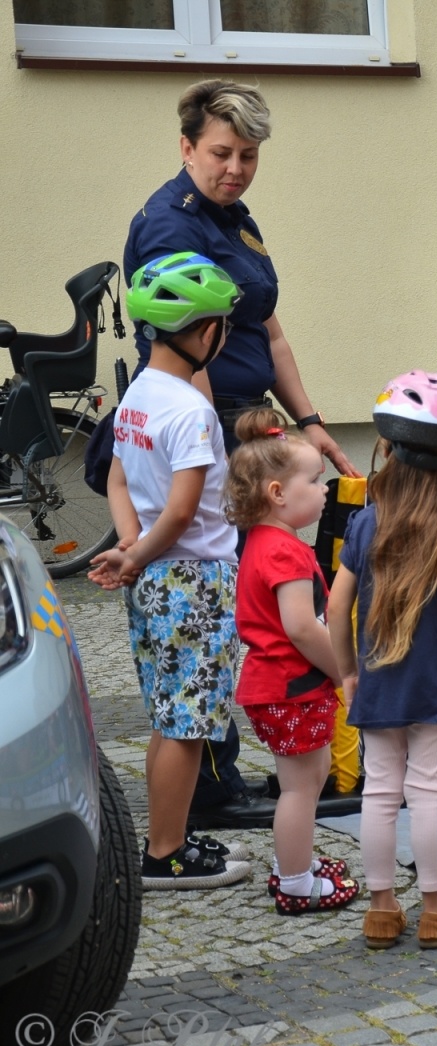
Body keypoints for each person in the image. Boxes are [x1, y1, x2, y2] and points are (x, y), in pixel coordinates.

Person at [126, 79, 359, 830]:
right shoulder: (170, 226)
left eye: (250, 155)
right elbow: (182, 344)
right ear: (186, 145)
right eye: (222, 153)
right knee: (221, 601)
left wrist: (310, 419)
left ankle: (225, 765)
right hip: (215, 428)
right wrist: (234, 440)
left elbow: (270, 329)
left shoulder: (235, 218)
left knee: (241, 595)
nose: (236, 167)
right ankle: (211, 783)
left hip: (250, 418)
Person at [88, 252, 253, 891]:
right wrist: (141, 552)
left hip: (156, 579)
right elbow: (184, 511)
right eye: (221, 325)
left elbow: (116, 477)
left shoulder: (138, 396)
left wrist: (132, 549)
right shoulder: (190, 411)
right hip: (195, 582)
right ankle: (164, 856)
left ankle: (170, 835)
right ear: (203, 332)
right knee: (188, 727)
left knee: (168, 716)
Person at [328, 372, 437, 950]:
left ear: (388, 456)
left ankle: (380, 911)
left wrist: (347, 672)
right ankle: (434, 912)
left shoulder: (365, 523)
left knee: (378, 792)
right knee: (428, 794)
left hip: (376, 680)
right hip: (434, 685)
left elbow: (335, 607)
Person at [224, 408, 362, 915]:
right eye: (315, 480)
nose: (325, 489)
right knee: (301, 791)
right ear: (278, 493)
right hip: (291, 687)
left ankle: (294, 864)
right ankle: (296, 882)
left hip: (280, 687)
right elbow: (302, 626)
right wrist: (345, 671)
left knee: (310, 776)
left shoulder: (264, 542)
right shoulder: (286, 553)